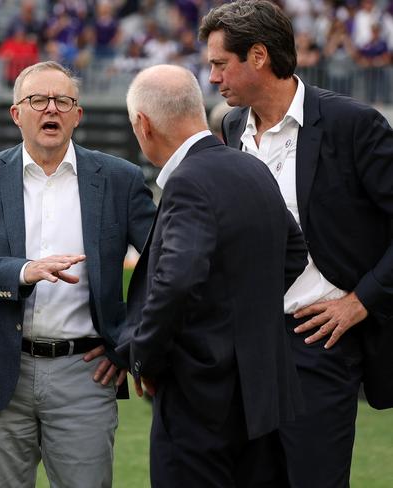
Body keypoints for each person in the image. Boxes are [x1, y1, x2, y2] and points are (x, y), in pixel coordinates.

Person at [199, 1, 393, 486]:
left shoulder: (353, 125)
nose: (213, 77)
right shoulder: (230, 127)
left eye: (221, 64)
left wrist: (360, 301)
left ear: (258, 57)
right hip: (247, 347)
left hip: (318, 342)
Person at [0, 60, 155, 488]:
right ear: (16, 113)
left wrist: (128, 344)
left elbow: (161, 266)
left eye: (63, 101)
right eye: (38, 100)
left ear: (78, 114)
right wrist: (23, 271)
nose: (51, 109)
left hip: (86, 373)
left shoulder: (119, 179)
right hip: (3, 367)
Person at [117, 64, 307, 487]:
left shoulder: (189, 181)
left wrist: (144, 356)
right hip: (259, 394)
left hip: (200, 398)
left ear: (142, 125)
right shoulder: (251, 168)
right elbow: (294, 253)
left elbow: (178, 280)